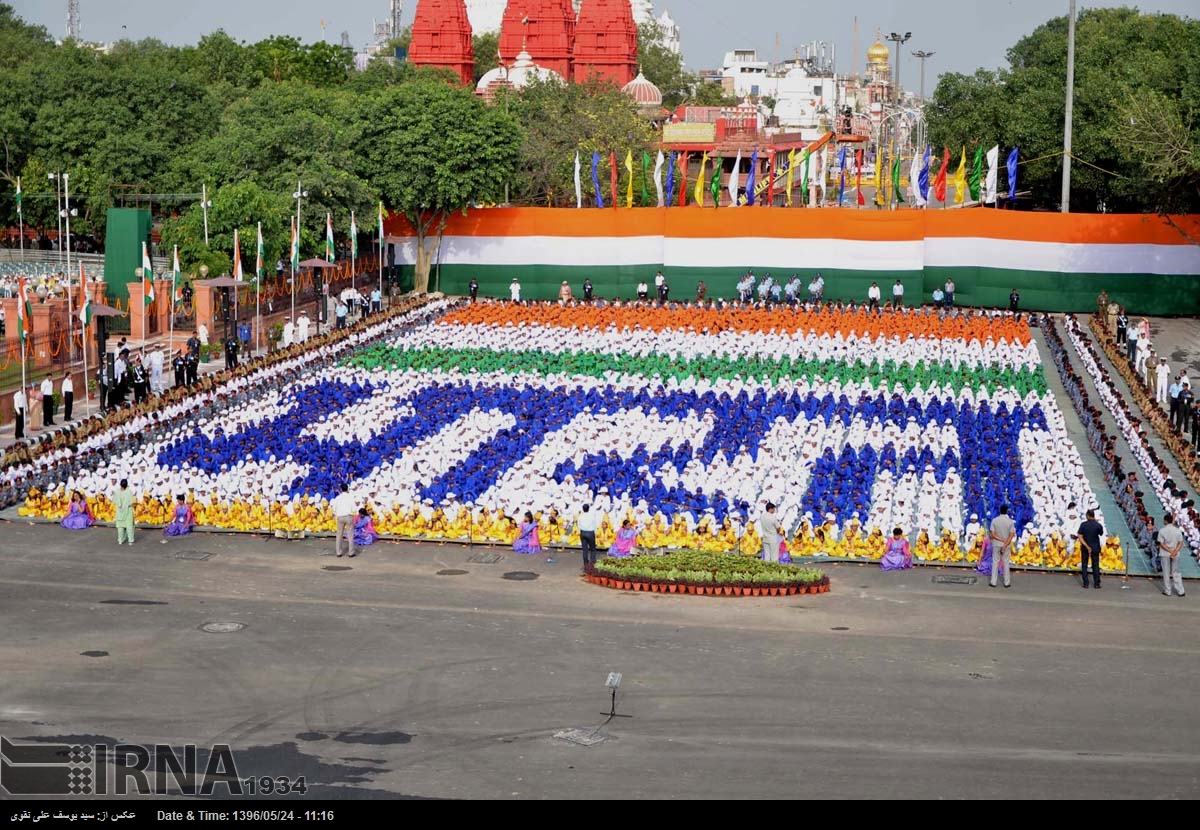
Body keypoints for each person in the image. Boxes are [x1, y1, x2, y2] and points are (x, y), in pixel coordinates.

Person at [1157, 513, 1186, 597]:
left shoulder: (1162, 530)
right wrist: (1175, 551)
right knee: (1176, 572)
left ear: (1165, 521)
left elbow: (1161, 543)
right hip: (1175, 553)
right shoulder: (1177, 530)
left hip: (1165, 553)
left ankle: (1168, 590)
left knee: (1166, 572)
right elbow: (1180, 542)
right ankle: (1180, 591)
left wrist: (1169, 551)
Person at [988, 504, 1016, 588]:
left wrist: (1000, 540)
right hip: (1006, 544)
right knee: (1006, 563)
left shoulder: (995, 520)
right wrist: (1005, 542)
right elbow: (1011, 535)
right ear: (1007, 511)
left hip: (996, 543)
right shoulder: (1010, 521)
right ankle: (1007, 582)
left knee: (995, 562)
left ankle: (993, 582)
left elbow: (992, 534)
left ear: (1000, 511)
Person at [1077, 509, 1104, 589]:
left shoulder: (1083, 525)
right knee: (1095, 565)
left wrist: (1086, 545)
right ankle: (1097, 583)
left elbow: (1080, 536)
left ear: (1087, 515)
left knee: (1084, 565)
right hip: (1095, 547)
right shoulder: (1098, 525)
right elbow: (1101, 533)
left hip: (1085, 547)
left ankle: (1086, 583)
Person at [331, 483, 357, 558]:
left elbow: (334, 509)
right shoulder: (351, 497)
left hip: (340, 516)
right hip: (348, 516)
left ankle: (338, 552)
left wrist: (337, 514)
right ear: (347, 489)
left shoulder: (338, 498)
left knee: (339, 534)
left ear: (341, 489)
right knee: (350, 534)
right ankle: (351, 552)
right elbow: (354, 509)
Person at [576, 503, 599, 569]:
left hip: (583, 532)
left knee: (585, 550)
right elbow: (595, 525)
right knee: (592, 549)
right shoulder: (592, 516)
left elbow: (579, 525)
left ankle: (586, 564)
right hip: (590, 532)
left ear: (583, 509)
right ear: (589, 508)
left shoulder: (580, 516)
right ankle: (592, 564)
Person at [113, 478, 135, 545]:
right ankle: (128, 540)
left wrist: (122, 506)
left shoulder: (119, 492)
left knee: (124, 526)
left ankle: (122, 540)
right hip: (125, 511)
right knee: (125, 526)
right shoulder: (128, 492)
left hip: (123, 511)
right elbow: (131, 502)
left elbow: (115, 500)